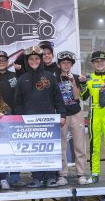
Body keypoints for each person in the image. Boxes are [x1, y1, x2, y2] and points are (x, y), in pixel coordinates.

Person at [14, 45, 66, 188]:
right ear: (27, 61)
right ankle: (36, 177)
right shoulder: (21, 79)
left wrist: (62, 115)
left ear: (41, 60)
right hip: (29, 122)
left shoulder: (49, 76)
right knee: (34, 149)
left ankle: (50, 177)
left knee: (49, 148)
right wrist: (19, 118)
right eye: (31, 59)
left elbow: (58, 98)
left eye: (37, 58)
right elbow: (17, 102)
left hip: (48, 121)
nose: (34, 61)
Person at [80, 51, 105, 184]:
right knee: (95, 146)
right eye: (96, 61)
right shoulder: (89, 78)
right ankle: (94, 174)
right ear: (92, 64)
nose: (99, 63)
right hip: (94, 114)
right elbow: (83, 97)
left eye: (102, 61)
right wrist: (83, 84)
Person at [55, 51, 89, 185]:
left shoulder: (76, 77)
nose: (66, 65)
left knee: (79, 144)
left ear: (72, 64)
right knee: (62, 146)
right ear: (59, 64)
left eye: (68, 63)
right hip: (62, 115)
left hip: (76, 113)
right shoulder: (55, 78)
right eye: (63, 63)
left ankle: (81, 173)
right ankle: (62, 174)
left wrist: (74, 82)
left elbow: (77, 97)